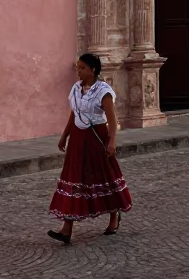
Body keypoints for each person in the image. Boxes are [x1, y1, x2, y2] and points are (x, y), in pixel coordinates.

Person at [47, 53, 132, 244]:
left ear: (93, 70)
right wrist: (64, 135)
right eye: (78, 67)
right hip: (78, 138)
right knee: (73, 177)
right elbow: (74, 113)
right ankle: (66, 229)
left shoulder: (104, 91)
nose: (79, 71)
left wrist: (111, 142)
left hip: (96, 138)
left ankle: (113, 216)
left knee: (104, 176)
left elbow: (112, 119)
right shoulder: (76, 89)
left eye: (82, 68)